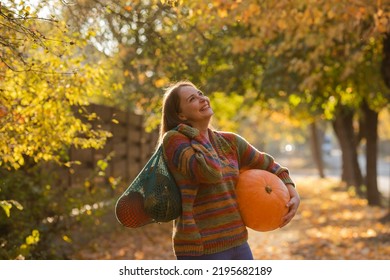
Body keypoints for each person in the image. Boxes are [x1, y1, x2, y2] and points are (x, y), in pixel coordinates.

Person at [159, 81, 300, 260]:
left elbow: (268, 164)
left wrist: (292, 191)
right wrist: (197, 134)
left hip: (238, 242)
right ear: (181, 115)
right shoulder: (174, 141)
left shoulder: (230, 142)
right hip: (201, 248)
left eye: (201, 93)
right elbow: (210, 172)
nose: (202, 99)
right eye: (193, 99)